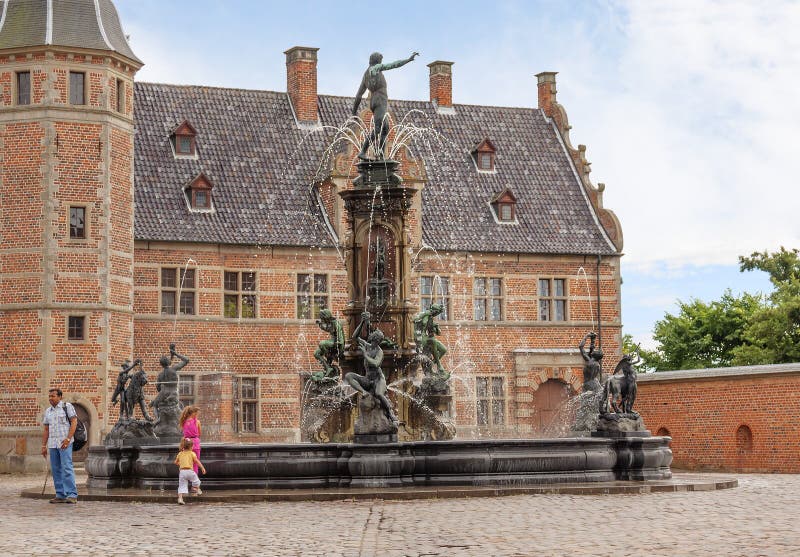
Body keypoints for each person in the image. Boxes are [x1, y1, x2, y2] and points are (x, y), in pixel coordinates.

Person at [352, 51, 419, 159]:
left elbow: (359, 94)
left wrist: (354, 112)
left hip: (374, 101)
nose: (381, 63)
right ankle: (363, 151)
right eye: (380, 61)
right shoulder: (376, 68)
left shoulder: (365, 75)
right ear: (377, 61)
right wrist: (408, 60)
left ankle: (381, 155)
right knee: (378, 128)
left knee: (385, 128)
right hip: (380, 100)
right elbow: (393, 65)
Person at [344, 312, 399, 425]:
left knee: (379, 394)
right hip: (368, 379)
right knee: (349, 376)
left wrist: (365, 355)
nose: (370, 334)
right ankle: (364, 392)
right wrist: (362, 322)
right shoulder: (368, 346)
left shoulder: (379, 351)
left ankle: (390, 413)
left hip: (378, 379)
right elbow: (354, 337)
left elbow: (375, 363)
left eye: (373, 334)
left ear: (375, 339)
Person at [41, 388, 78, 504]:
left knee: (67, 467)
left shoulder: (67, 407)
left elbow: (74, 422)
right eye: (49, 396)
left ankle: (72, 495)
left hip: (64, 443)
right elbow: (46, 429)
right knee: (56, 469)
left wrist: (68, 439)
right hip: (52, 444)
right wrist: (43, 445)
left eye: (53, 396)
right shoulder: (48, 411)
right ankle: (60, 494)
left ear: (60, 397)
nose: (50, 398)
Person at [413, 303, 448, 377]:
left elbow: (438, 333)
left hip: (425, 337)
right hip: (419, 337)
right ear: (433, 311)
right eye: (436, 312)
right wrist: (425, 313)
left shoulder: (431, 319)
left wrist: (437, 327)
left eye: (437, 313)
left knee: (443, 349)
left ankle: (431, 363)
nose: (436, 314)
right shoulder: (424, 314)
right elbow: (414, 319)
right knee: (433, 341)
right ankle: (439, 367)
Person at [312, 309, 345, 381]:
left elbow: (341, 337)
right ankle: (328, 368)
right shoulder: (330, 323)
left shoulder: (336, 323)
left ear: (326, 317)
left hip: (337, 342)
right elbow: (327, 329)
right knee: (316, 353)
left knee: (322, 344)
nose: (322, 319)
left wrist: (341, 349)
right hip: (331, 341)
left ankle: (329, 356)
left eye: (322, 318)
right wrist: (320, 324)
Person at [173, 437, 206, 505]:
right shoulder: (192, 453)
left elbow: (175, 462)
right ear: (190, 446)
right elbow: (197, 462)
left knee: (181, 486)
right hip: (190, 471)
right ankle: (195, 488)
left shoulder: (180, 454)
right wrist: (202, 468)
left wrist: (181, 464)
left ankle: (180, 499)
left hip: (182, 472)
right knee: (196, 481)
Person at [179, 406, 202, 474]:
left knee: (186, 462)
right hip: (195, 443)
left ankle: (186, 478)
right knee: (195, 463)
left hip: (186, 443)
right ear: (193, 413)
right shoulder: (197, 422)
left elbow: (184, 432)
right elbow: (199, 433)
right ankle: (194, 479)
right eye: (197, 413)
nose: (197, 414)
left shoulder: (183, 421)